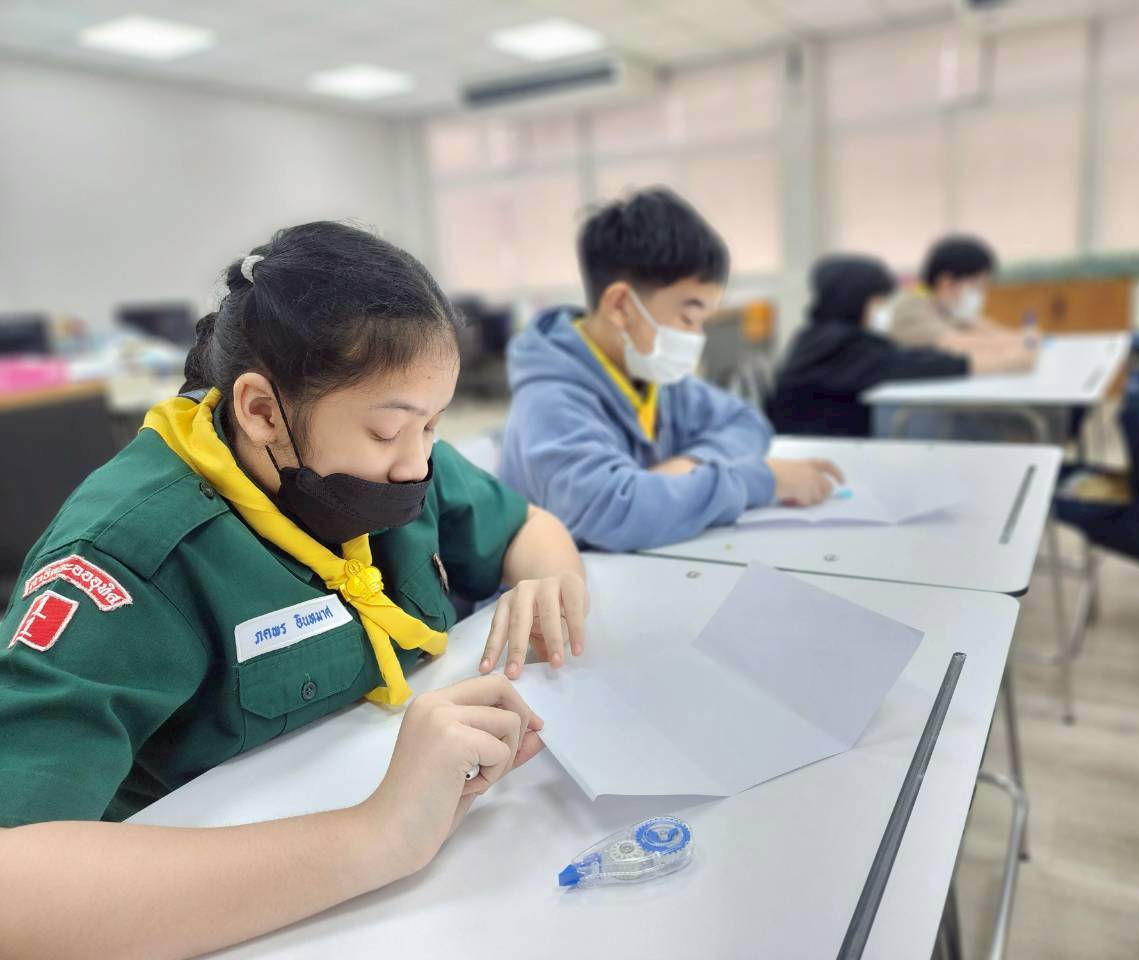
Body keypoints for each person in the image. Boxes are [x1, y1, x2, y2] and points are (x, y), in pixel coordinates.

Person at [0, 221, 587, 959]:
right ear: (260, 411)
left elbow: (528, 525)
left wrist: (549, 580)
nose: (416, 464)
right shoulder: (130, 557)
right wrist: (377, 835)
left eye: (434, 425)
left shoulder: (390, 468)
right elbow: (13, 889)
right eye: (388, 433)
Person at [499, 188, 843, 551]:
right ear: (621, 306)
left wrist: (688, 465)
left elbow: (746, 422)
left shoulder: (651, 375)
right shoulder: (551, 398)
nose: (697, 337)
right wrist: (760, 479)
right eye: (688, 318)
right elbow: (616, 510)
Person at [769, 255, 971, 437]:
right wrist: (965, 362)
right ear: (856, 300)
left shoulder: (817, 335)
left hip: (828, 443)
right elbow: (906, 365)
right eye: (878, 301)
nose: (882, 309)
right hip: (818, 449)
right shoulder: (837, 346)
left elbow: (899, 356)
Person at [888, 234, 1036, 372]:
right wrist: (1024, 342)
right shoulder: (910, 307)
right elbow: (954, 344)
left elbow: (985, 328)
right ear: (947, 283)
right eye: (976, 286)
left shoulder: (947, 306)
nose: (980, 294)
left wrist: (1024, 339)